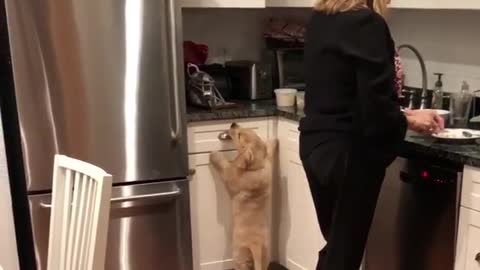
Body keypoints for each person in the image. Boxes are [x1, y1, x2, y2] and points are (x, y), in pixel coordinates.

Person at [299, 0, 445, 270]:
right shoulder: (367, 23)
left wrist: (406, 116)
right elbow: (376, 112)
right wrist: (405, 122)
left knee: (336, 247)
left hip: (315, 145)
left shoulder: (321, 18)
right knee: (344, 256)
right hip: (349, 155)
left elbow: (347, 93)